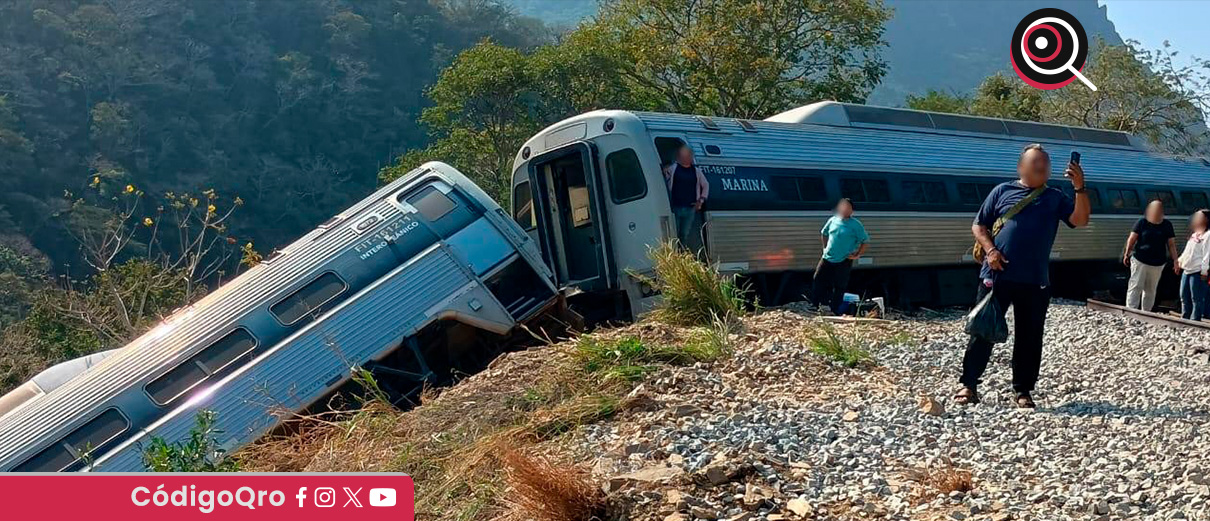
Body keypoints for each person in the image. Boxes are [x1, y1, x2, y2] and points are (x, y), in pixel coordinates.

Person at [955, 144, 1091, 409]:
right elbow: (978, 225)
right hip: (997, 275)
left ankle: (1023, 390)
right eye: (1036, 162)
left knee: (1030, 336)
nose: (1042, 166)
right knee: (982, 330)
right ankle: (968, 384)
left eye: (1045, 163)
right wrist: (990, 250)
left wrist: (1079, 188)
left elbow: (1081, 220)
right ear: (1021, 166)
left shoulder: (1055, 196)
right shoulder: (1002, 191)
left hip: (1035, 279)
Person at [812, 198, 869, 315]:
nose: (844, 209)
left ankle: (835, 308)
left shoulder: (856, 225)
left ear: (852, 210)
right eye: (842, 206)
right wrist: (825, 248)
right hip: (827, 257)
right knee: (818, 279)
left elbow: (865, 241)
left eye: (847, 207)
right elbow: (824, 233)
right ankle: (818, 304)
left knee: (839, 285)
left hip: (844, 259)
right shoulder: (833, 220)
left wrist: (858, 254)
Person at [1123, 200, 1178, 311]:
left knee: (1151, 289)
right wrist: (1127, 252)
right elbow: (1132, 239)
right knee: (1135, 285)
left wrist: (1175, 260)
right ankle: (1131, 310)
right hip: (1140, 259)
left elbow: (1171, 244)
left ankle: (1146, 312)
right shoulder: (1142, 222)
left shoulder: (1167, 225)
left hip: (1158, 263)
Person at [663, 145, 710, 253]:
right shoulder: (673, 168)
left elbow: (706, 185)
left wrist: (701, 200)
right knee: (674, 232)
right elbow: (665, 175)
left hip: (690, 208)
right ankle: (674, 254)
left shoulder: (696, 171)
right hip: (675, 206)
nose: (685, 158)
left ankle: (682, 253)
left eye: (687, 155)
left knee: (684, 233)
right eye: (682, 155)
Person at [1176, 209, 1210, 321]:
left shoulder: (1208, 235)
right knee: (1184, 295)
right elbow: (1187, 251)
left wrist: (1204, 271)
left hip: (1197, 270)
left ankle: (1195, 320)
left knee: (1196, 297)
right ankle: (1185, 318)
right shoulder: (1195, 234)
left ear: (1205, 219)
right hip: (1187, 269)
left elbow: (1207, 254)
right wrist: (1179, 261)